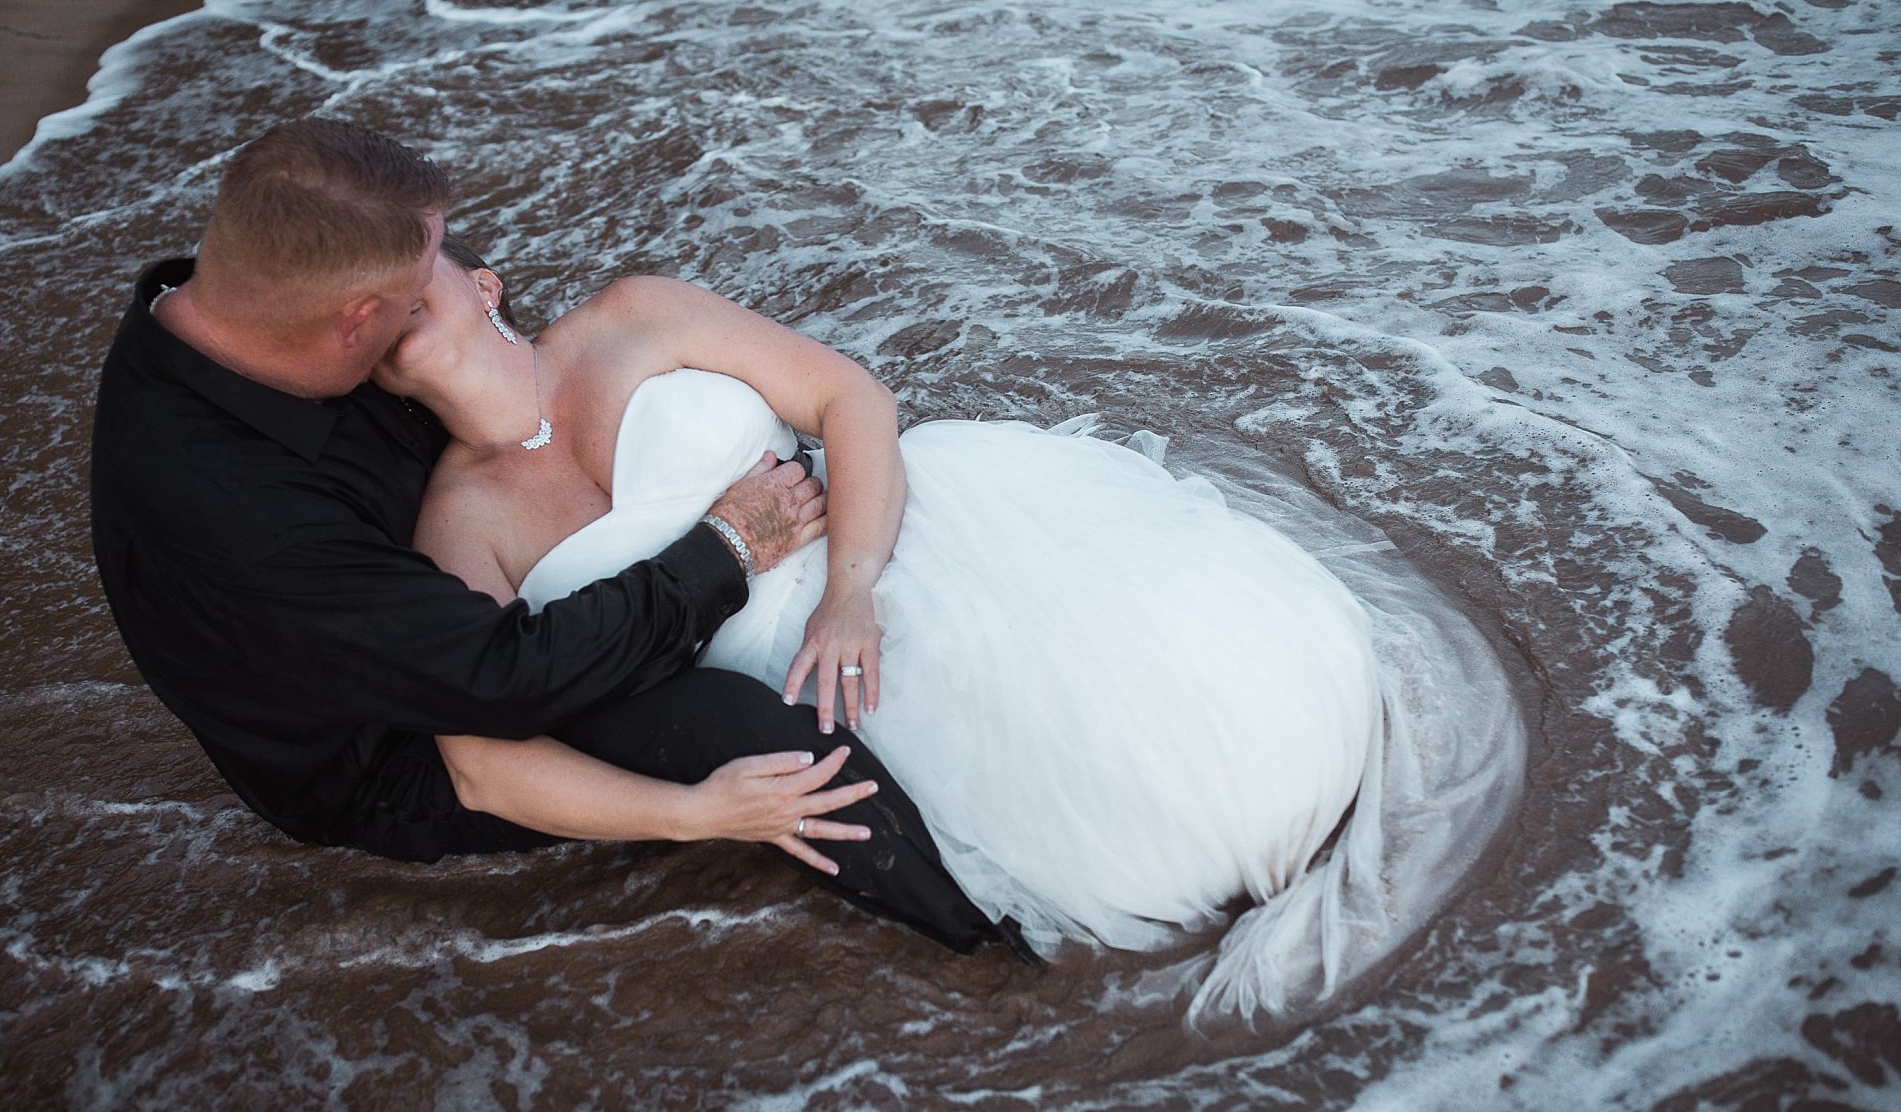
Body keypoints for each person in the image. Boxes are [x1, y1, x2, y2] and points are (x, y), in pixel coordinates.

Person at [375, 232, 1528, 1022]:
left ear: (486, 282)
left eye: (408, 269)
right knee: (1094, 799)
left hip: (893, 542)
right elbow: (480, 765)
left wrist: (854, 585)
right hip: (793, 677)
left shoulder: (632, 314)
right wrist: (691, 814)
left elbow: (849, 399)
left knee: (1187, 673)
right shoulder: (459, 523)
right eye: (360, 312)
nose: (382, 296)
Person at [89, 118, 1024, 958]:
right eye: (416, 285)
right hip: (402, 744)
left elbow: (842, 394)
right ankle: (989, 949)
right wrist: (727, 551)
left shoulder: (284, 279)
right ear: (357, 331)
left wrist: (839, 574)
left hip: (489, 619)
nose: (446, 274)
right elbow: (494, 691)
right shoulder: (241, 515)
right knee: (744, 729)